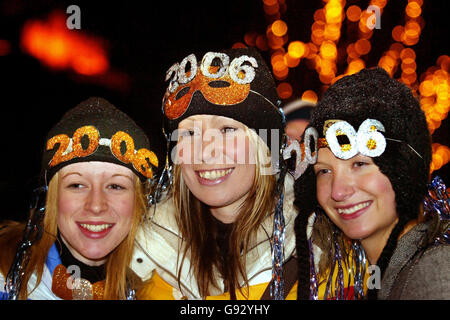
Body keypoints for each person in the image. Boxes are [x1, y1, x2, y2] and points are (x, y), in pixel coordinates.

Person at [131, 47, 300, 300]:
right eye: (189, 133)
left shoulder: (318, 256)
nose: (205, 152)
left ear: (264, 147)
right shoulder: (139, 252)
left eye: (227, 130)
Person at [294, 67, 450, 300]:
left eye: (359, 164)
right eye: (324, 171)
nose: (338, 191)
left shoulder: (434, 271)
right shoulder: (370, 276)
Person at [0, 97, 162, 300]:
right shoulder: (5, 277)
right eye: (77, 185)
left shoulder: (155, 290)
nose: (96, 206)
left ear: (139, 203)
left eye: (115, 186)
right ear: (52, 198)